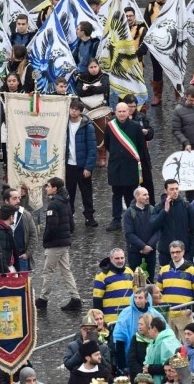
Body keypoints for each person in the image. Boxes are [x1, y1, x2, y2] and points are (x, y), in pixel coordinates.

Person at [35, 177, 83, 312]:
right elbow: (71, 223)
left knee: (48, 271)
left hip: (55, 244)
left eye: (48, 186)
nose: (46, 188)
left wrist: (45, 239)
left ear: (55, 188)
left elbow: (52, 227)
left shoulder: (54, 204)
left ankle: (43, 299)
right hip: (64, 242)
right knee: (66, 271)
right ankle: (75, 298)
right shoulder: (65, 201)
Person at [105, 102, 149, 232]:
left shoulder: (135, 126)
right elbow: (107, 143)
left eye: (124, 111)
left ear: (128, 112)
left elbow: (141, 146)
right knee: (116, 194)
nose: (122, 114)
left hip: (130, 165)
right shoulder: (110, 126)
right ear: (115, 112)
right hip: (116, 165)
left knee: (131, 194)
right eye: (119, 111)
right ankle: (116, 219)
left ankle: (132, 218)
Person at [156, 241, 194, 337]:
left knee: (187, 341)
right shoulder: (163, 270)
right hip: (168, 314)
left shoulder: (192, 271)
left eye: (178, 252)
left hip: (184, 314)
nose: (175, 255)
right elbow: (158, 292)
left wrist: (191, 310)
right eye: (172, 252)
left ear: (183, 252)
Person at [64, 99, 98, 226]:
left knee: (86, 192)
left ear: (80, 111)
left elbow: (92, 148)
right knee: (69, 193)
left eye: (76, 109)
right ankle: (69, 216)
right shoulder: (64, 124)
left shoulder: (87, 126)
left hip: (82, 165)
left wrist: (88, 167)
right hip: (69, 165)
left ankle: (89, 216)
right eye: (72, 108)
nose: (73, 111)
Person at [151, 179, 194, 267]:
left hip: (184, 253)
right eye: (172, 189)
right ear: (166, 191)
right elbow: (153, 226)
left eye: (177, 189)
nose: (175, 191)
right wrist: (164, 211)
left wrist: (192, 252)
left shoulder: (186, 206)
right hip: (166, 253)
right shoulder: (159, 207)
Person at [124, 187, 159, 282]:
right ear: (137, 197)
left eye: (147, 194)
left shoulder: (153, 210)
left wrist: (149, 245)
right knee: (138, 281)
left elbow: (158, 231)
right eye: (144, 195)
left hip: (151, 251)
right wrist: (143, 246)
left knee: (150, 280)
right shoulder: (129, 213)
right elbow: (129, 233)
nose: (147, 197)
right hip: (135, 252)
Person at [93, 248, 135, 325]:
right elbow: (97, 300)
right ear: (111, 259)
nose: (120, 261)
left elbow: (136, 293)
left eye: (122, 258)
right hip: (111, 320)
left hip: (129, 318)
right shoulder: (101, 275)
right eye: (117, 258)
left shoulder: (129, 271)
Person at [145, 0, 169, 106]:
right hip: (156, 44)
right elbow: (146, 24)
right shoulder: (150, 6)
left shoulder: (173, 5)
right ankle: (157, 95)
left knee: (174, 69)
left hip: (170, 44)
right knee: (157, 70)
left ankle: (178, 95)